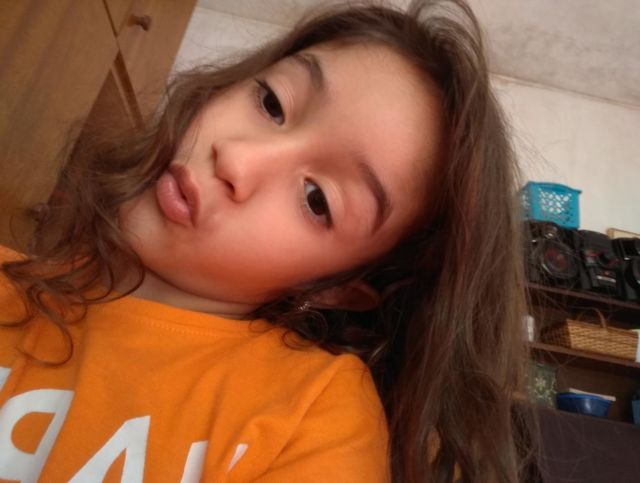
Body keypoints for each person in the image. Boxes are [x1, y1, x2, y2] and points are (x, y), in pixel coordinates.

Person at [0, 0, 535, 481]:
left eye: (317, 200)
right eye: (272, 104)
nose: (236, 157)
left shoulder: (314, 414)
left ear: (336, 288)